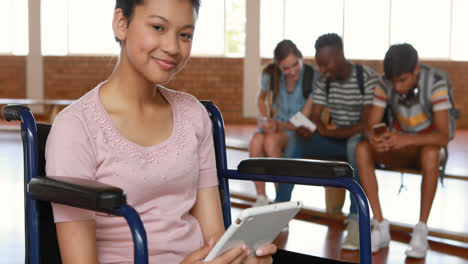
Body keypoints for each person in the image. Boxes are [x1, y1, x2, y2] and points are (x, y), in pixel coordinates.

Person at [45, 0, 276, 263]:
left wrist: (238, 257)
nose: (172, 47)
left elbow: (214, 238)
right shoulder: (76, 128)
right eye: (158, 27)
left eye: (185, 35)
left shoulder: (193, 115)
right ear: (121, 24)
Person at [355, 43, 451, 258]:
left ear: (416, 69)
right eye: (393, 81)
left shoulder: (436, 82)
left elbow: (444, 136)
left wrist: (406, 139)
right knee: (362, 148)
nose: (397, 87)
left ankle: (421, 230)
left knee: (431, 152)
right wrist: (376, 139)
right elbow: (371, 126)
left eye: (403, 80)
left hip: (428, 151)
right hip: (399, 146)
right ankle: (379, 225)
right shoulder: (384, 82)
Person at [290, 33, 382, 250]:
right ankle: (280, 204)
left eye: (325, 64)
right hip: (337, 141)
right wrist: (307, 128)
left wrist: (328, 132)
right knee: (295, 139)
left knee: (355, 145)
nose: (321, 69)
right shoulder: (324, 80)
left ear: (340, 55)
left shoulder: (367, 77)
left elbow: (366, 125)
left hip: (362, 143)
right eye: (319, 64)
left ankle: (356, 219)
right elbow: (315, 120)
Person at [249, 39, 318, 206]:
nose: (292, 71)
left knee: (270, 142)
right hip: (276, 125)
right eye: (286, 68)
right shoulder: (270, 75)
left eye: (295, 65)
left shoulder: (312, 76)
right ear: (279, 67)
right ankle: (261, 198)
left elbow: (304, 120)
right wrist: (266, 119)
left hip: (296, 129)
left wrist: (278, 126)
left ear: (301, 58)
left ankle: (281, 199)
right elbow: (260, 99)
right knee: (256, 142)